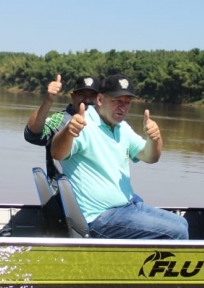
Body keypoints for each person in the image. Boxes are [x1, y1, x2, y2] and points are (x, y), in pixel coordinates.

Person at [50, 74, 189, 239]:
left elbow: (150, 157)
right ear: (100, 99)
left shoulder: (121, 127)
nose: (123, 108)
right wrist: (68, 131)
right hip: (99, 217)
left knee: (182, 224)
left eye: (127, 103)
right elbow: (57, 152)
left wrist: (155, 139)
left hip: (127, 206)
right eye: (117, 101)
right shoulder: (83, 124)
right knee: (177, 232)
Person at [24, 75, 101, 179]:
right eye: (82, 95)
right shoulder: (59, 120)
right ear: (73, 96)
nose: (87, 100)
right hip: (64, 190)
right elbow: (32, 136)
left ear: (100, 99)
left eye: (92, 96)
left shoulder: (106, 124)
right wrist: (48, 101)